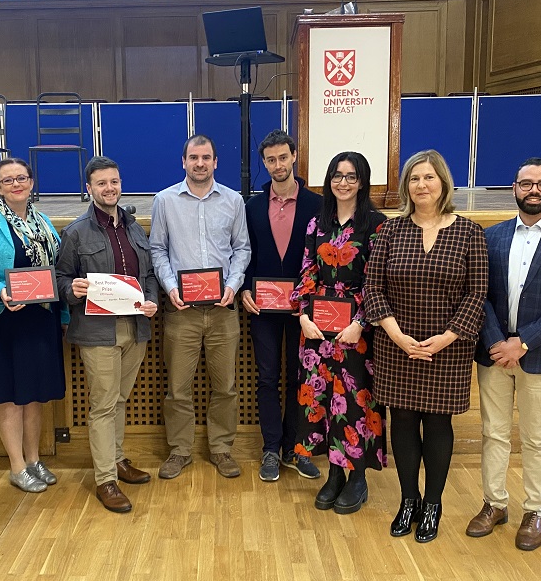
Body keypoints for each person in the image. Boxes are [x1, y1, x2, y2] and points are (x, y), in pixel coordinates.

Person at [364, 149, 488, 543]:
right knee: (401, 423)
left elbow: (477, 292)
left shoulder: (469, 232)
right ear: (406, 186)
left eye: (429, 178)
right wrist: (398, 336)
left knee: (438, 424)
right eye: (414, 179)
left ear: (443, 183)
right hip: (396, 343)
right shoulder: (389, 231)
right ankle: (408, 500)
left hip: (447, 347)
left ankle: (432, 504)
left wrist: (447, 338)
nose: (421, 185)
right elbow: (373, 288)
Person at [467, 158, 541, 550]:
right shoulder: (492, 236)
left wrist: (522, 343)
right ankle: (494, 503)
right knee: (494, 433)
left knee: (537, 438)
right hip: (495, 353)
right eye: (526, 184)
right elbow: (479, 295)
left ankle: (535, 511)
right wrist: (496, 342)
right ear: (514, 187)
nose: (534, 190)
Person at [55, 156, 159, 513]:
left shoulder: (133, 228)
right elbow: (60, 279)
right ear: (89, 189)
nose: (109, 188)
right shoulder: (75, 232)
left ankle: (117, 460)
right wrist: (74, 288)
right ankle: (105, 480)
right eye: (101, 183)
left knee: (119, 400)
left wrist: (152, 301)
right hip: (98, 331)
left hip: (135, 327)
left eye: (114, 181)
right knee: (101, 405)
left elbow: (147, 277)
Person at [149, 134, 251, 479]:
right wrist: (170, 286)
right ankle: (179, 451)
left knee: (225, 386)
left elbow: (242, 249)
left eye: (206, 157)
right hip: (182, 311)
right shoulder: (164, 201)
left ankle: (222, 448)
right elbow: (158, 250)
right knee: (178, 387)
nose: (200, 163)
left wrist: (234, 285)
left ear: (215, 162)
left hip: (224, 310)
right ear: (184, 162)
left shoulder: (234, 201)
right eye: (194, 157)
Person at [290, 151, 387, 514]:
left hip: (356, 332)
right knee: (324, 402)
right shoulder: (318, 222)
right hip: (316, 330)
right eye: (336, 175)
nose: (343, 182)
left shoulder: (377, 225)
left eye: (351, 176)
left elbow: (379, 282)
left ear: (363, 181)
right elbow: (307, 272)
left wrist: (360, 322)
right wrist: (302, 314)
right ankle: (334, 473)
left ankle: (357, 475)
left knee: (356, 402)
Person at [0, 158, 67, 493]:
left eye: (21, 178)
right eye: (8, 180)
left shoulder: (44, 222)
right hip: (8, 320)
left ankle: (34, 458)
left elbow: (57, 271)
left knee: (36, 395)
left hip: (41, 319)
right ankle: (16, 466)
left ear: (31, 182)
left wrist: (63, 316)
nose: (16, 184)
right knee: (12, 397)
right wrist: (1, 293)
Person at [240, 130, 323, 482]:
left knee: (300, 377)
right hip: (263, 309)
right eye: (270, 160)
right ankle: (271, 449)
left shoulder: (318, 205)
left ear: (294, 157)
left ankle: (296, 447)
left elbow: (324, 258)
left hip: (304, 311)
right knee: (267, 377)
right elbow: (244, 253)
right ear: (265, 163)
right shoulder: (252, 207)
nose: (278, 165)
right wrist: (244, 287)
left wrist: (313, 298)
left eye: (283, 158)